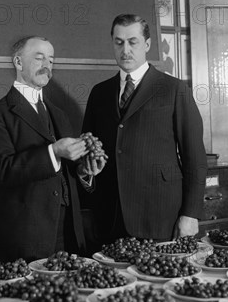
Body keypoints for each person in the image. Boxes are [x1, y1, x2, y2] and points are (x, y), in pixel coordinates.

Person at [81, 14, 207, 247]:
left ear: (147, 45)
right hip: (110, 219)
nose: (125, 49)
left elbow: (195, 157)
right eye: (118, 42)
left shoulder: (174, 90)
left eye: (133, 42)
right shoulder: (99, 93)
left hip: (160, 217)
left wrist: (191, 213)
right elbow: (87, 153)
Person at [0, 36, 91, 262]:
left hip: (69, 233)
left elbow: (66, 170)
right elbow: (2, 170)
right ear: (18, 63)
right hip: (27, 237)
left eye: (51, 60)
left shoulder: (59, 113)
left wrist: (84, 171)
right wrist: (54, 152)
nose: (47, 66)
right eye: (39, 58)